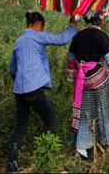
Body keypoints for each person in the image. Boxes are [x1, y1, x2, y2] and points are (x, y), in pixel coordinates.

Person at [6, 12, 78, 173]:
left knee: (21, 126)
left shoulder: (18, 41)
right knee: (50, 120)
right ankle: (44, 157)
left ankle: (11, 166)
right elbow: (62, 39)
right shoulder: (37, 37)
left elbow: (12, 67)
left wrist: (19, 80)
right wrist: (72, 25)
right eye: (42, 26)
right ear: (38, 24)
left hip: (19, 90)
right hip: (33, 88)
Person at [67, 11, 109, 160]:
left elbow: (71, 58)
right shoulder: (101, 36)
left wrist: (71, 75)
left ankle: (81, 147)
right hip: (99, 78)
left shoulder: (77, 36)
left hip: (83, 80)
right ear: (101, 22)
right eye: (105, 21)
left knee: (85, 113)